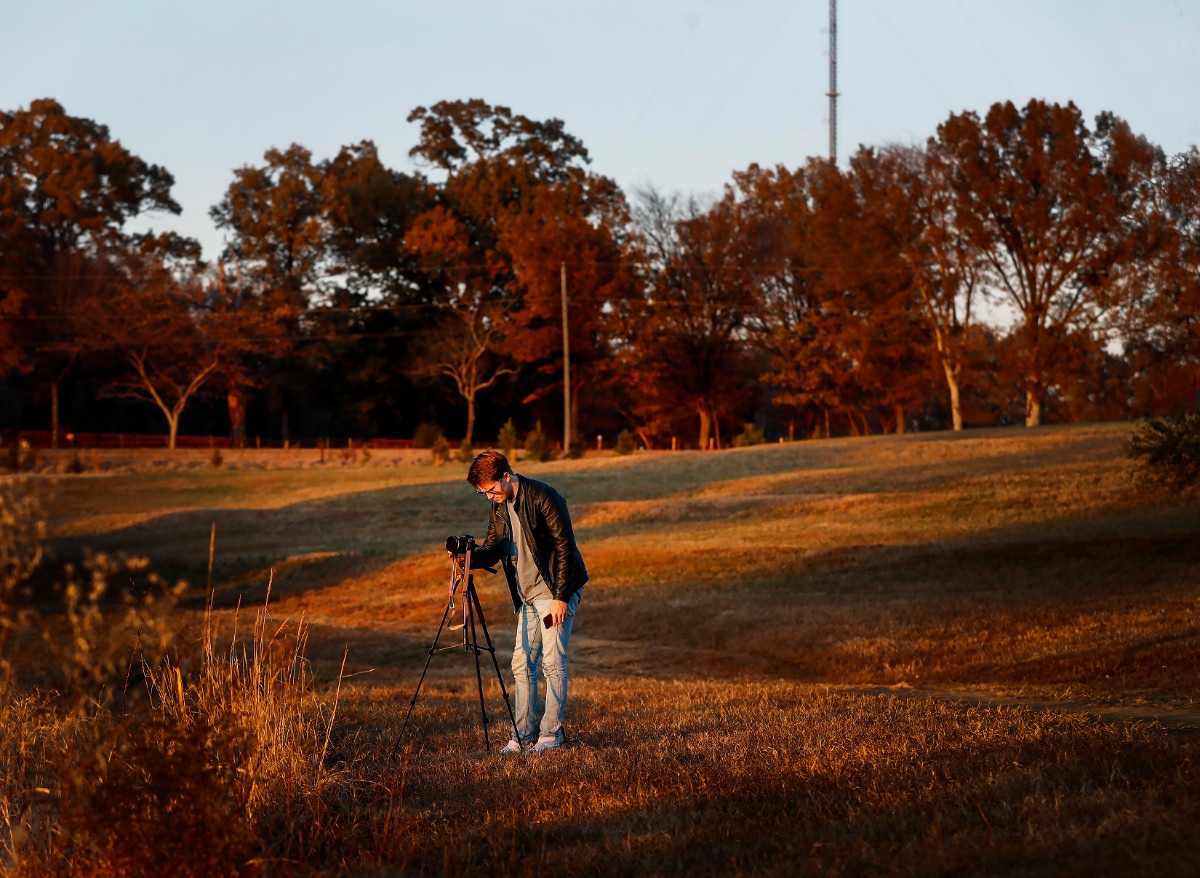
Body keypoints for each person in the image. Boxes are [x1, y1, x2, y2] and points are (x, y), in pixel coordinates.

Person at [465, 448, 587, 754]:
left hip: (556, 591)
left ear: (506, 477)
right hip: (528, 597)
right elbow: (493, 548)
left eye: (491, 490)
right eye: (484, 494)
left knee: (551, 661)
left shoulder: (544, 497)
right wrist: (467, 556)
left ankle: (551, 734)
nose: (490, 497)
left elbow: (565, 547)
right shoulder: (499, 507)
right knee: (521, 664)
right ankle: (522, 736)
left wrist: (560, 597)